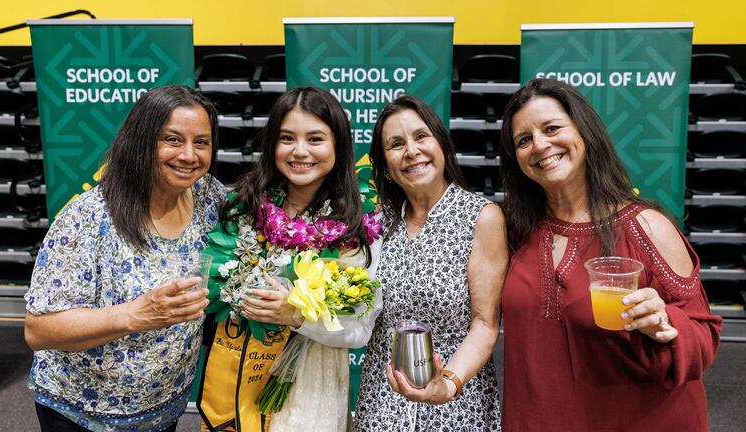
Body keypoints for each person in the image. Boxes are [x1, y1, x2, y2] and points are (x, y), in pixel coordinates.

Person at [498, 78, 723, 431]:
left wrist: (665, 324)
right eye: (523, 140)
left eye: (552, 128)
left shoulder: (646, 228)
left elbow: (704, 338)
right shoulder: (515, 234)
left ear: (584, 132)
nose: (540, 145)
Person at [23, 85, 226, 431]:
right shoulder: (88, 217)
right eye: (172, 139)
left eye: (201, 142)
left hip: (164, 408)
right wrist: (137, 314)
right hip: (82, 414)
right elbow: (39, 330)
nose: (189, 155)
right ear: (142, 140)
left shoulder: (210, 197)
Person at [196, 86, 383, 432]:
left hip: (309, 385)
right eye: (287, 138)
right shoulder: (244, 207)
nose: (300, 152)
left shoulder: (358, 227)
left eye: (315, 139)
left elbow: (360, 330)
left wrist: (296, 315)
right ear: (271, 144)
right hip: (234, 374)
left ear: (338, 145)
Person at [353, 95, 507, 431]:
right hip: (381, 403)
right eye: (396, 144)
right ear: (387, 168)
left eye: (421, 136)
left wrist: (448, 382)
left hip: (454, 401)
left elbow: (484, 323)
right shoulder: (377, 223)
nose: (411, 151)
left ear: (442, 145)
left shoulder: (481, 217)